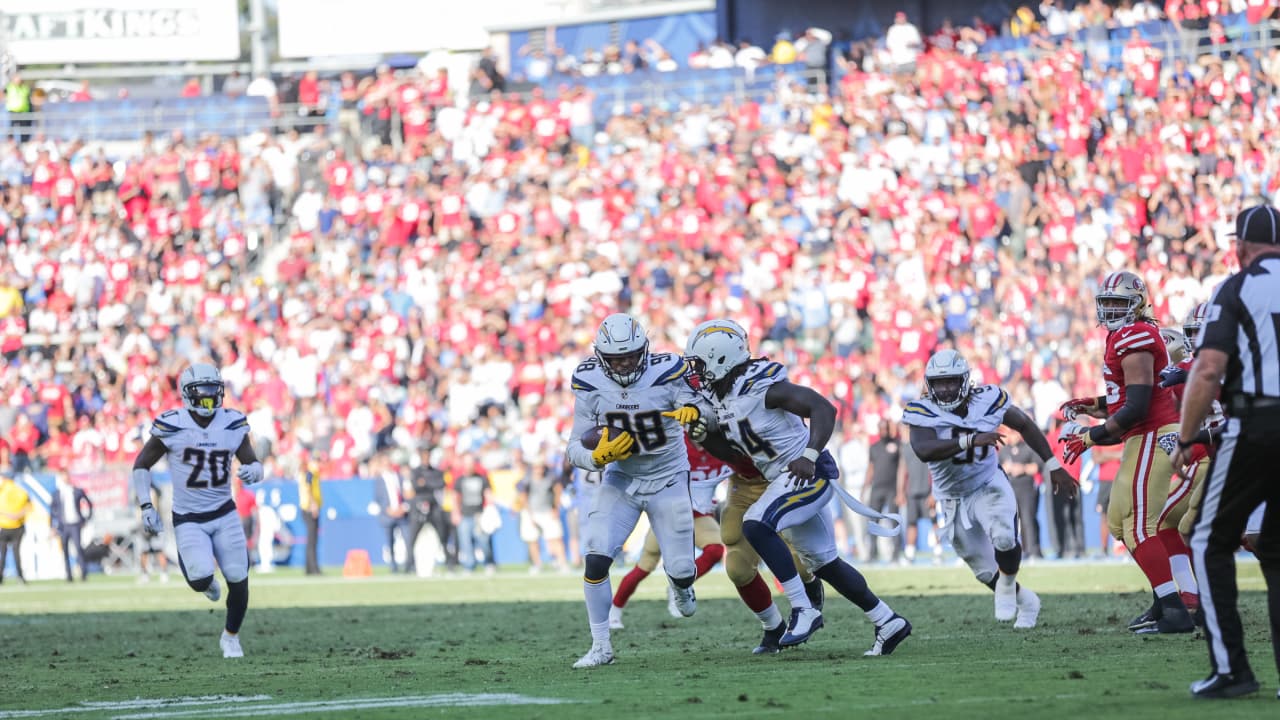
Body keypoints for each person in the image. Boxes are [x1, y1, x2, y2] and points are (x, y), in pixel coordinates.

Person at [684, 319, 910, 655]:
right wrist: (703, 436)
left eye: (700, 364)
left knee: (756, 524)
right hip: (782, 478)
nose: (697, 372)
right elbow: (737, 453)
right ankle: (888, 621)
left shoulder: (762, 387)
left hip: (807, 473)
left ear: (721, 359)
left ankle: (803, 609)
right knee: (824, 563)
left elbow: (823, 407)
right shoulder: (722, 396)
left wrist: (809, 453)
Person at [1171, 204, 1280, 699]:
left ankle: (1233, 669)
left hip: (1258, 422)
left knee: (1207, 540)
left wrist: (1188, 435)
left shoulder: (1236, 288)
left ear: (1240, 247)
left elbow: (1209, 367)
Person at [564, 313, 705, 669]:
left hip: (669, 477)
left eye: (629, 355)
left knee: (682, 567)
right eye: (615, 358)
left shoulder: (669, 371)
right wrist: (597, 457)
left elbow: (707, 409)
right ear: (600, 357)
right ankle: (601, 646)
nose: (624, 363)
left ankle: (682, 584)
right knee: (596, 555)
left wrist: (695, 412)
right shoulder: (589, 381)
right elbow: (573, 447)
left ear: (644, 349)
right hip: (622, 479)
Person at [1059, 270, 1196, 634]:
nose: (1112, 310)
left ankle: (1176, 609)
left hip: (1152, 432)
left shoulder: (1134, 335)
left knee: (1138, 525)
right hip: (1144, 434)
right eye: (1107, 303)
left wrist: (1090, 438)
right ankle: (1165, 601)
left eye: (1120, 302)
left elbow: (1137, 406)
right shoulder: (1123, 336)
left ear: (1137, 304)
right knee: (1121, 520)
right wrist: (1095, 405)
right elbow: (1127, 398)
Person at [904, 350, 1077, 628]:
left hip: (987, 483)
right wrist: (970, 440)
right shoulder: (922, 410)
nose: (946, 389)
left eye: (951, 381)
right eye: (939, 383)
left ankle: (1007, 585)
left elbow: (1024, 424)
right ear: (929, 384)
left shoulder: (987, 399)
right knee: (984, 570)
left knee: (1005, 537)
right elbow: (923, 450)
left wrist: (1053, 464)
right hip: (951, 497)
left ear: (964, 380)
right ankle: (1027, 601)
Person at [131, 363, 264, 658]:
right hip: (189, 518)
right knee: (201, 578)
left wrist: (256, 471)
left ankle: (231, 637)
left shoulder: (232, 422)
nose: (207, 398)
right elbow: (141, 464)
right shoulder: (173, 424)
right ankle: (205, 584)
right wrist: (146, 505)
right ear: (186, 394)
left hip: (224, 512)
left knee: (238, 576)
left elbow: (251, 460)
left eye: (212, 391)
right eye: (201, 392)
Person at [609, 437, 729, 629]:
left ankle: (679, 586)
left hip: (698, 516)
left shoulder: (720, 446)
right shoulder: (677, 443)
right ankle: (614, 612)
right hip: (668, 516)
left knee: (715, 549)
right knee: (644, 567)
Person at [517, 459, 569, 574]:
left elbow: (558, 490)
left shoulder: (550, 477)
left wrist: (555, 508)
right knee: (533, 540)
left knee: (555, 538)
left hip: (547, 511)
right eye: (536, 467)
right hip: (532, 512)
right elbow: (523, 496)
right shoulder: (527, 479)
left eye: (540, 467)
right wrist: (529, 514)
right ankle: (537, 564)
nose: (538, 470)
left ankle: (562, 563)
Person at [864, 420, 903, 563]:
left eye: (886, 429)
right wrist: (865, 487)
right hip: (876, 489)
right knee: (873, 522)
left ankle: (896, 554)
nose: (884, 432)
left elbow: (901, 469)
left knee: (894, 521)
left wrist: (900, 491)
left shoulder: (897, 445)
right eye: (881, 429)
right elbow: (870, 468)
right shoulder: (873, 447)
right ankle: (872, 554)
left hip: (891, 489)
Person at [999, 432, 1042, 560]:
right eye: (1011, 433)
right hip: (1009, 490)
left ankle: (1034, 550)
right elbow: (995, 469)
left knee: (1028, 519)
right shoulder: (1003, 450)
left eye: (1015, 433)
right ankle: (1018, 551)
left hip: (1026, 488)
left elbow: (1036, 467)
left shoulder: (1028, 448)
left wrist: (1022, 468)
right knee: (1012, 522)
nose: (1013, 436)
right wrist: (1004, 469)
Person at [454, 456, 496, 574]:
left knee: (484, 541)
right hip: (465, 515)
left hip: (479, 515)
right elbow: (456, 497)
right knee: (466, 542)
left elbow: (488, 494)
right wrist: (456, 512)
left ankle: (489, 563)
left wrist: (490, 510)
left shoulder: (482, 479)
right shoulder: (460, 480)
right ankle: (469, 566)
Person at [51, 472, 94, 582]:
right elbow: (52, 510)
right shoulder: (57, 493)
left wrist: (86, 518)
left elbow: (89, 503)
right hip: (63, 526)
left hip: (75, 524)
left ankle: (83, 573)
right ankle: (68, 575)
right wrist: (54, 524)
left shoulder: (76, 491)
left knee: (78, 549)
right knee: (65, 550)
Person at [373, 455, 411, 573]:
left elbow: (407, 495)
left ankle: (409, 565)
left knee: (408, 539)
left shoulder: (399, 477)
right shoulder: (379, 480)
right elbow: (378, 498)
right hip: (387, 515)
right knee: (390, 542)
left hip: (402, 514)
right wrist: (388, 510)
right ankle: (393, 566)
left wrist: (403, 508)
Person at [0, 473, 31, 584]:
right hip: (17, 526)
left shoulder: (3, 489)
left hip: (4, 526)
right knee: (16, 553)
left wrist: (6, 514)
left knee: (2, 554)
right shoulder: (20, 490)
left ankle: (1, 578)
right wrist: (17, 515)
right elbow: (28, 506)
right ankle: (20, 577)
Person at [297, 449, 322, 575]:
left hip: (307, 508)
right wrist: (313, 505)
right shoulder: (311, 472)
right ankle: (313, 569)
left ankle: (309, 568)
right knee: (312, 540)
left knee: (311, 540)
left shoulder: (310, 472)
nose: (320, 463)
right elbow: (308, 488)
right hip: (309, 508)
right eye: (318, 460)